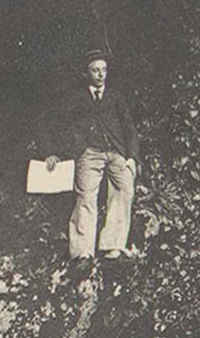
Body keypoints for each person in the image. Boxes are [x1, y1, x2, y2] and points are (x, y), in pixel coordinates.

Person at [45, 51, 139, 262]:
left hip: (116, 152)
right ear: (87, 73)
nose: (100, 75)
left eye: (104, 70)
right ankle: (82, 253)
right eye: (95, 70)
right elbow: (57, 125)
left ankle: (112, 246)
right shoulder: (76, 99)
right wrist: (54, 153)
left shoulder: (115, 97)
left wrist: (132, 157)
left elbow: (129, 128)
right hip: (89, 154)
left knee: (124, 188)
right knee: (86, 196)